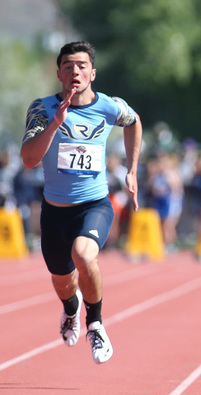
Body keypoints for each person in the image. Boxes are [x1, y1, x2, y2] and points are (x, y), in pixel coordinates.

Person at [20, 41, 142, 364]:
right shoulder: (42, 109)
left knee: (84, 255)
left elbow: (134, 122)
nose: (75, 71)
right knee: (62, 280)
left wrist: (132, 170)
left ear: (93, 73)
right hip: (55, 213)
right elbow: (29, 159)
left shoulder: (110, 106)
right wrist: (56, 124)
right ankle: (71, 309)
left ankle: (96, 325)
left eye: (82, 65)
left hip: (94, 206)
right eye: (69, 66)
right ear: (59, 73)